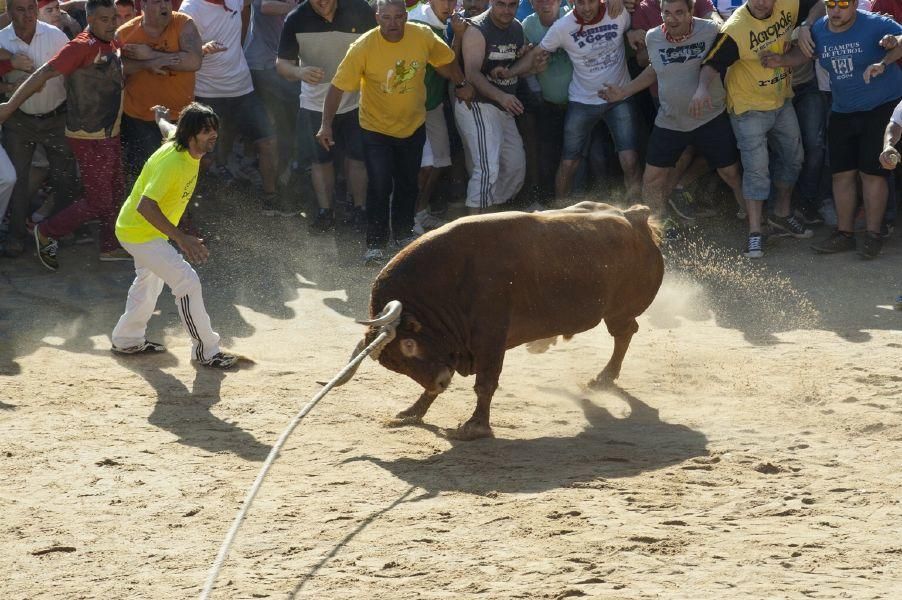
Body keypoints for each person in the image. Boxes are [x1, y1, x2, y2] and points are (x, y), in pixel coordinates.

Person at [317, 0, 473, 263]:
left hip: (412, 124)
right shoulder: (363, 47)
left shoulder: (422, 36)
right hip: (375, 128)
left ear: (406, 16)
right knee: (379, 184)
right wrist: (325, 124)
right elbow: (337, 86)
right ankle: (375, 244)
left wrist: (461, 83)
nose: (393, 23)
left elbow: (445, 62)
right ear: (377, 17)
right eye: (386, 17)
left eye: (398, 17)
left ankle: (402, 234)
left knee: (407, 182)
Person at [0, 0, 127, 270]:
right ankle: (41, 232)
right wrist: (10, 106)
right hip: (78, 134)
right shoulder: (80, 45)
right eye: (104, 19)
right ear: (90, 19)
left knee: (104, 188)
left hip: (95, 129)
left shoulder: (105, 41)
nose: (112, 23)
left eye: (114, 17)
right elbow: (44, 73)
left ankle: (108, 245)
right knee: (96, 198)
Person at [769, 1, 902, 258]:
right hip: (843, 109)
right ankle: (844, 234)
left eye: (842, 4)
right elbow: (804, 54)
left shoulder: (875, 23)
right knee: (841, 174)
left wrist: (887, 52)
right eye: (831, 4)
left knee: (871, 173)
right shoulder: (820, 29)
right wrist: (782, 60)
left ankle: (874, 235)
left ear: (854, 4)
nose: (836, 11)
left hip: (881, 106)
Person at [111, 102, 239, 369]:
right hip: (140, 232)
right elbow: (145, 205)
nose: (213, 135)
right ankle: (206, 351)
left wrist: (159, 116)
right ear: (191, 135)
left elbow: (167, 127)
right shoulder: (172, 163)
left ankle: (127, 339)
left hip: (139, 229)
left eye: (214, 129)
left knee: (149, 282)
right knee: (187, 281)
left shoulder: (180, 139)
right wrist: (181, 238)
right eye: (206, 131)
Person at [601, 0, 746, 231]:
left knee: (731, 173)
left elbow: (730, 43)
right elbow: (655, 70)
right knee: (651, 179)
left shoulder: (709, 30)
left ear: (691, 13)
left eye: (679, 13)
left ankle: (752, 220)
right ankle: (657, 228)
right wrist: (623, 92)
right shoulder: (653, 37)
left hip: (709, 117)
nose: (672, 18)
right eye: (666, 13)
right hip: (670, 120)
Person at [695, 0, 825, 258]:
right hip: (748, 108)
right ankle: (755, 231)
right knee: (757, 170)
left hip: (781, 100)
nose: (763, 2)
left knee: (793, 159)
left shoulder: (788, 4)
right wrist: (701, 89)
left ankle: (782, 214)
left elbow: (821, 3)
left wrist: (808, 25)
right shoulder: (736, 28)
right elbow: (712, 63)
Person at [521, 0, 643, 202]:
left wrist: (631, 29)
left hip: (620, 96)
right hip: (583, 101)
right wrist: (510, 71)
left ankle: (638, 213)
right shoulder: (563, 26)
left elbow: (639, 13)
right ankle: (559, 213)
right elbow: (536, 53)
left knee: (630, 159)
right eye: (580, 2)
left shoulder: (617, 12)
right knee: (569, 162)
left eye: (590, 2)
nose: (586, 8)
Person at [276, 0, 375, 232]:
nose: (322, 2)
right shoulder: (296, 18)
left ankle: (359, 209)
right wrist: (299, 71)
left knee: (358, 158)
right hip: (314, 104)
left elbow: (377, 45)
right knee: (320, 161)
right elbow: (281, 64)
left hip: (356, 101)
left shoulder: (360, 9)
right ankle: (325, 211)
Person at [179, 0, 280, 214]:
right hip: (207, 91)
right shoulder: (191, 9)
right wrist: (203, 50)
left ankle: (272, 200)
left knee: (269, 142)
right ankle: (191, 202)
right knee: (201, 154)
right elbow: (183, 53)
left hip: (242, 87)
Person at [0, 0, 79, 259]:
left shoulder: (55, 36)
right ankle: (15, 237)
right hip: (19, 122)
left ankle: (61, 231)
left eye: (31, 9)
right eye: (20, 10)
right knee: (18, 180)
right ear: (9, 12)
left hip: (57, 118)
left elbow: (72, 75)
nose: (27, 15)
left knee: (64, 177)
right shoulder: (3, 40)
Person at [116, 0, 203, 181]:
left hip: (180, 116)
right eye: (157, 1)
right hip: (141, 118)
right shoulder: (125, 33)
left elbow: (194, 61)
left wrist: (151, 55)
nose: (165, 6)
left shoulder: (183, 23)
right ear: (144, 5)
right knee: (149, 172)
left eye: (167, 1)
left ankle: (178, 207)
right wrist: (146, 64)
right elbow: (116, 69)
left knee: (182, 169)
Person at [457, 0, 528, 213]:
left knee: (516, 167)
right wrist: (501, 97)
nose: (507, 10)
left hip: (503, 105)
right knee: (488, 168)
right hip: (478, 104)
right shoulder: (477, 29)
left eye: (512, 5)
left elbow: (514, 66)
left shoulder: (517, 27)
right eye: (501, 4)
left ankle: (490, 217)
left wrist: (529, 61)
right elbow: (472, 73)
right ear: (491, 3)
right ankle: (474, 229)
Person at [244, 0, 301, 192]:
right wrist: (302, 8)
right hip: (262, 65)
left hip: (285, 65)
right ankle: (274, 182)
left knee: (283, 124)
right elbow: (265, 6)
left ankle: (280, 175)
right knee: (271, 128)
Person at [409, 0, 456, 232]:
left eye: (452, 0)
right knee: (425, 165)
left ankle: (420, 212)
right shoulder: (417, 22)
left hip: (433, 105)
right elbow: (444, 65)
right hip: (411, 107)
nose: (448, 4)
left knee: (440, 160)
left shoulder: (448, 23)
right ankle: (408, 218)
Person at [521, 0, 572, 205]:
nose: (546, 4)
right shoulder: (527, 26)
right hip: (547, 103)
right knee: (547, 156)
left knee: (580, 155)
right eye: (540, 0)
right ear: (532, 3)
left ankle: (579, 202)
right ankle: (547, 202)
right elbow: (523, 66)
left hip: (580, 101)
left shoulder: (572, 16)